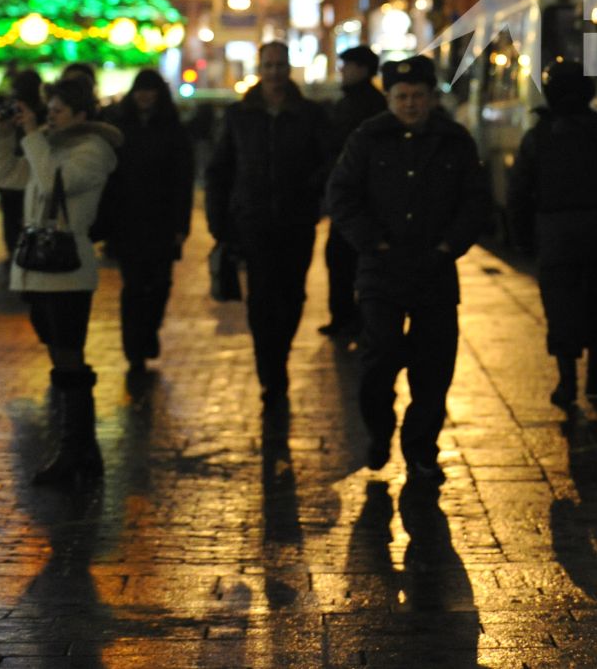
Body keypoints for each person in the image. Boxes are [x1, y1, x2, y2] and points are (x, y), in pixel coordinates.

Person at [326, 55, 492, 480]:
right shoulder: (368, 138)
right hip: (381, 270)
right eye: (402, 96)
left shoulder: (454, 140)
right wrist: (373, 242)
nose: (411, 104)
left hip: (434, 270)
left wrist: (447, 246)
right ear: (390, 97)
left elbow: (475, 201)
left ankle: (421, 449)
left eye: (418, 95)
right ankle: (378, 433)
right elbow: (342, 196)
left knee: (434, 367)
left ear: (432, 97)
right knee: (379, 357)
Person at [0, 74, 121, 485]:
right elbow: (7, 176)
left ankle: (74, 451)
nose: (51, 117)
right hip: (37, 272)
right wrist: (0, 136)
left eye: (59, 111)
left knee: (69, 357)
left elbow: (51, 185)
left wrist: (32, 134)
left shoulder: (93, 149)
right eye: (49, 111)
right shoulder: (52, 145)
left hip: (66, 273)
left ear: (82, 114)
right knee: (59, 356)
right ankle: (82, 451)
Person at [507, 59, 597, 406]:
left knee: (560, 304)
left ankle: (566, 381)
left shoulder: (537, 137)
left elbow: (517, 193)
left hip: (554, 233)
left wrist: (523, 239)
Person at [205, 42, 333, 413]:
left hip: (296, 220)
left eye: (280, 65)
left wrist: (311, 191)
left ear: (289, 68)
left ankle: (279, 357)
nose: (274, 72)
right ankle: (271, 377)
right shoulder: (240, 115)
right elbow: (219, 170)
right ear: (259, 69)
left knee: (293, 296)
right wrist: (220, 222)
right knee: (261, 301)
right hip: (254, 221)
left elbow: (329, 160)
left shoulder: (309, 114)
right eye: (268, 65)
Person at [100, 71, 194, 378]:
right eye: (140, 90)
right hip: (128, 219)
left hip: (162, 220)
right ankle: (135, 349)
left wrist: (181, 224)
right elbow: (110, 179)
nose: (144, 96)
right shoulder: (120, 129)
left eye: (150, 90)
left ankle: (149, 330)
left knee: (160, 284)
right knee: (133, 286)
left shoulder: (173, 130)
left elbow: (183, 179)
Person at [320, 45, 386, 341]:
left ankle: (350, 319)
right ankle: (347, 318)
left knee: (345, 258)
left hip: (358, 198)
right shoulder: (359, 101)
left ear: (361, 69)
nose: (342, 71)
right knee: (342, 258)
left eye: (346, 65)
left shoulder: (363, 105)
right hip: (354, 196)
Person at [0, 69, 45, 264]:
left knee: (13, 216)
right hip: (24, 167)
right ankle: (23, 251)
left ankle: (16, 251)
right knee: (25, 213)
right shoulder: (36, 110)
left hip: (22, 166)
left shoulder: (36, 113)